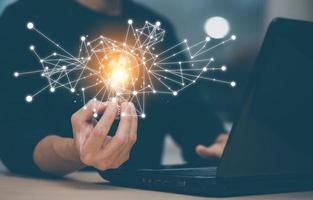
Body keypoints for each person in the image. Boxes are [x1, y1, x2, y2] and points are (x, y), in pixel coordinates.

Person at [0, 0, 228, 176]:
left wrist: (221, 143)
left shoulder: (156, 28)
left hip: (141, 193)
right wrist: (76, 151)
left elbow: (193, 118)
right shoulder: (24, 19)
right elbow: (16, 141)